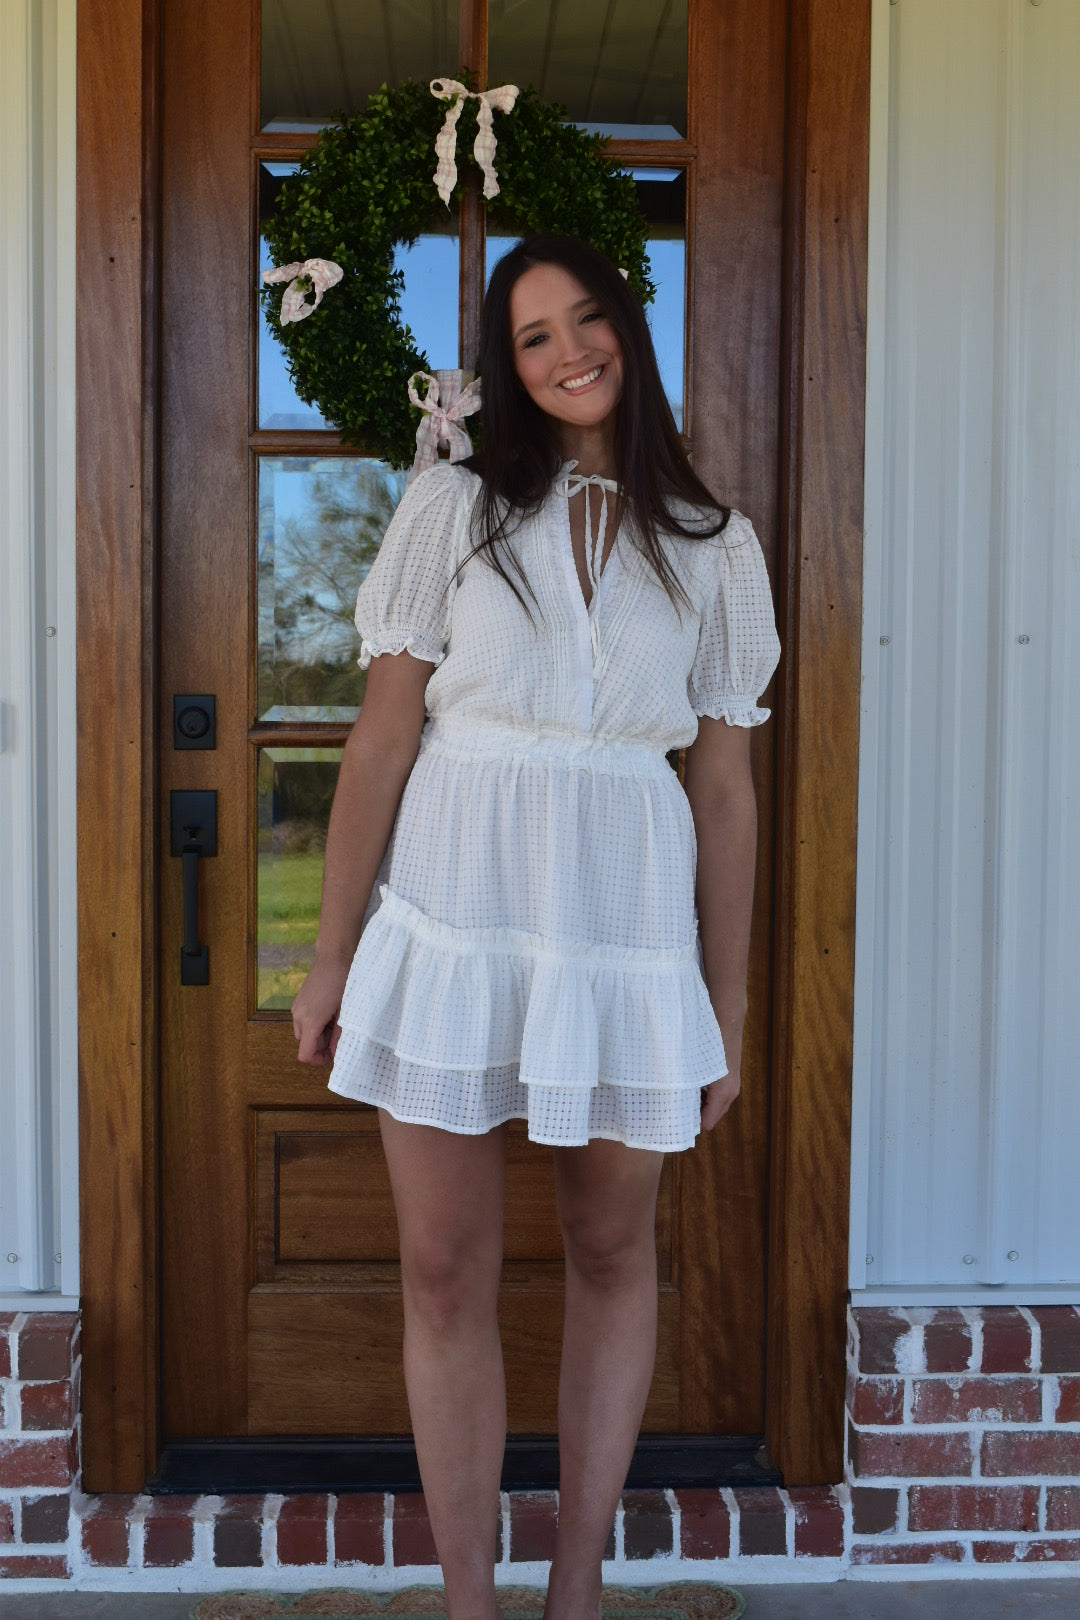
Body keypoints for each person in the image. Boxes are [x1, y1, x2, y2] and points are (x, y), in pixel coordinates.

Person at [292, 233, 780, 1620]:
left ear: (629, 325)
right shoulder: (454, 509)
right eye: (532, 336)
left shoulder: (713, 544)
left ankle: (574, 1590)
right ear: (505, 369)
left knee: (613, 1250)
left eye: (586, 319)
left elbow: (729, 793)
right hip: (452, 918)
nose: (569, 350)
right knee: (443, 1269)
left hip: (625, 943)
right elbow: (382, 742)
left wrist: (723, 1010)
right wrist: (330, 957)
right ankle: (470, 1603)